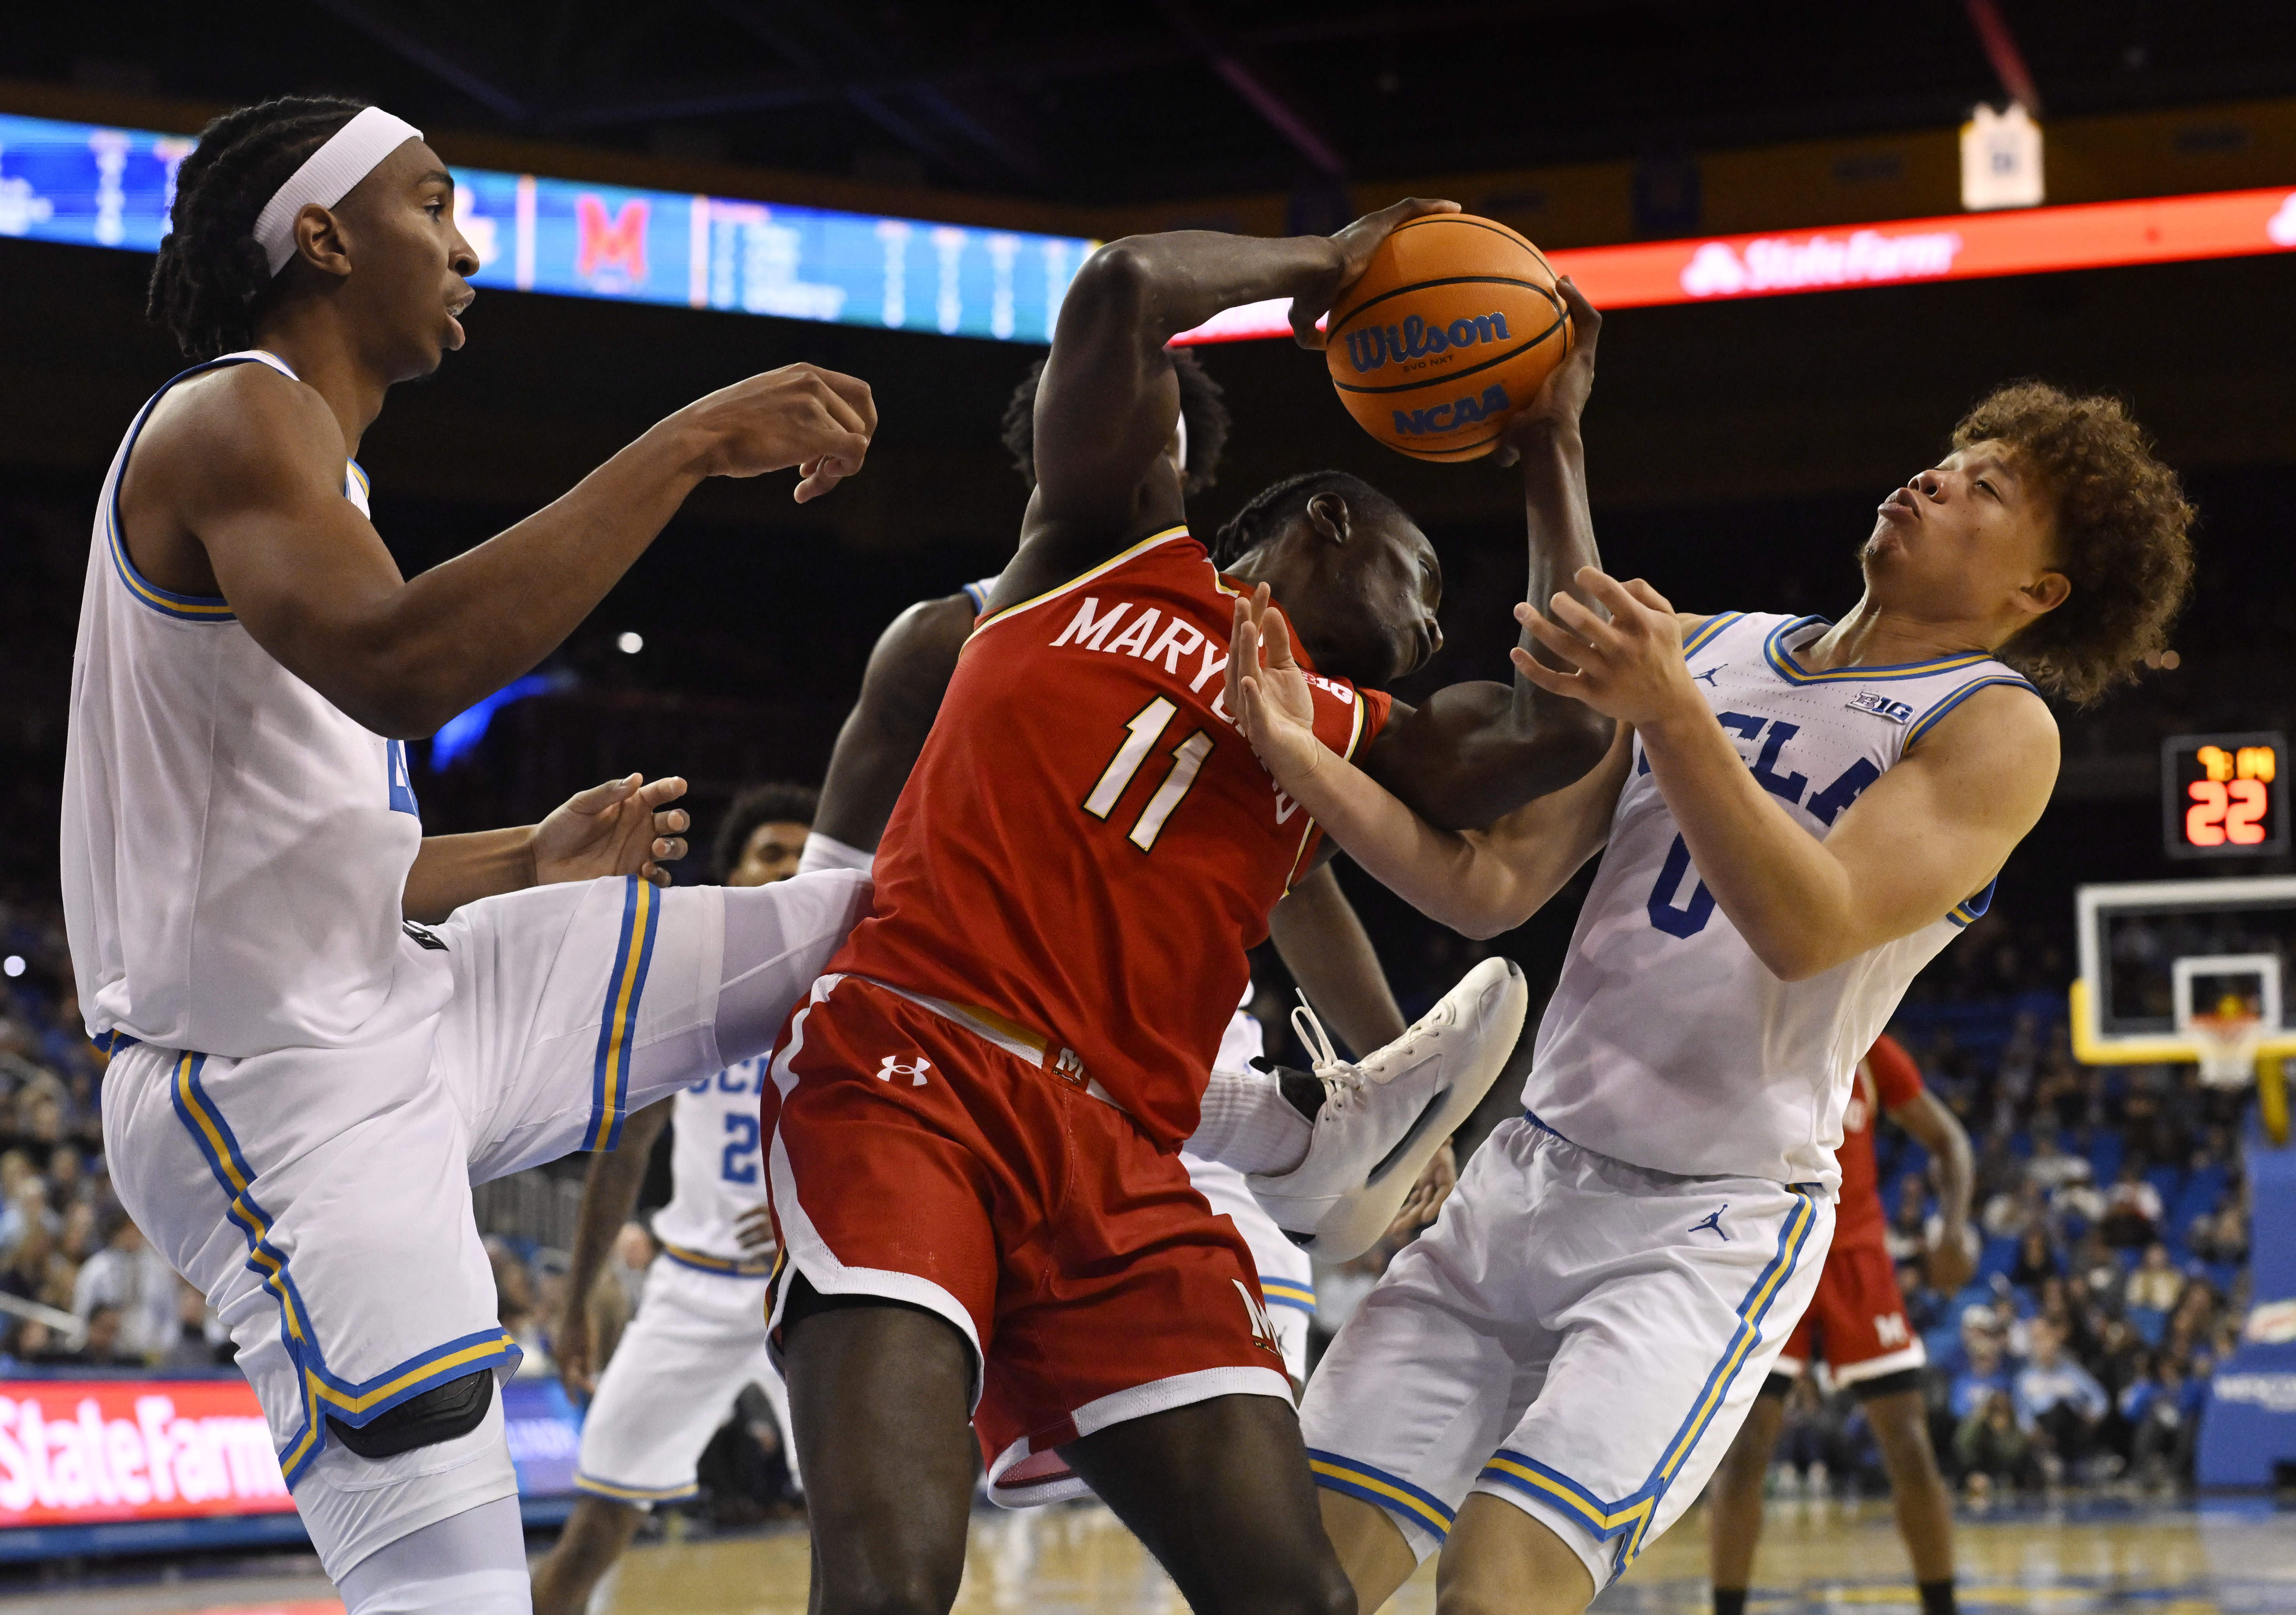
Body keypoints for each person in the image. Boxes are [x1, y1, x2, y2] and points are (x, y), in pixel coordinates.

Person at [63, 96, 882, 1614]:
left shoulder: (313, 471)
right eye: (432, 203)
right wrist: (690, 443)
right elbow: (404, 664)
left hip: (412, 999)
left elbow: (291, 869)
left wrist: (520, 860)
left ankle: (1232, 1148)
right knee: (459, 1599)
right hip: (274, 1091)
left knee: (876, 925)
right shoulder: (232, 416)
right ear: (321, 237)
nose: (467, 245)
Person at [765, 200, 1618, 1615]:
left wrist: (1552, 445)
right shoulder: (1100, 545)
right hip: (913, 1076)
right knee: (889, 1592)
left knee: (1300, 1601)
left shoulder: (1352, 740)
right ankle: (1303, 1142)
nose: (1429, 631)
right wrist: (1335, 269)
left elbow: (1563, 727)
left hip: (1121, 1151)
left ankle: (1317, 1135)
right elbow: (1123, 288)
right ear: (1329, 523)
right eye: (1422, 586)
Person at [1225, 366, 2194, 1611]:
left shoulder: (1995, 727)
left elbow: (1809, 925)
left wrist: (1672, 706)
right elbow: (1488, 886)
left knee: (1497, 1583)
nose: (1933, 479)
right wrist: (1298, 755)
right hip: (1522, 1176)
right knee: (1290, 1583)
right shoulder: (1710, 647)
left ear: (2037, 591)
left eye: (1985, 488)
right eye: (1948, 459)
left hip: (1707, 1226)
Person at [800, 350, 1426, 1410]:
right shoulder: (949, 632)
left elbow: (1298, 888)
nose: (1142, 430)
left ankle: (1295, 1131)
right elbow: (827, 890)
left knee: (1253, 1411)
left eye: (1164, 419)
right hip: (966, 1044)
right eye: (1119, 402)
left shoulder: (1264, 649)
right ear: (1058, 433)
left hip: (1175, 1048)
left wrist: (1401, 1084)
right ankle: (1280, 1128)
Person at [530, 782, 823, 1615]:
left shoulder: (861, 991)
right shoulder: (687, 990)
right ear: (733, 876)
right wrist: (580, 1296)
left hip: (816, 1294)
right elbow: (626, 1151)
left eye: (804, 857)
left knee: (862, 1538)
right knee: (595, 1528)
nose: (788, 869)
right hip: (692, 1289)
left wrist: (817, 1214)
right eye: (770, 853)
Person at [1707, 1034, 1976, 1615]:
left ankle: (1942, 1606)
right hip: (1775, 1253)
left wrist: (1954, 1230)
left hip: (1857, 1258)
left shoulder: (1870, 1047)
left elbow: (1950, 1140)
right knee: (1746, 1450)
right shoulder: (1761, 1037)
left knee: (1910, 1446)